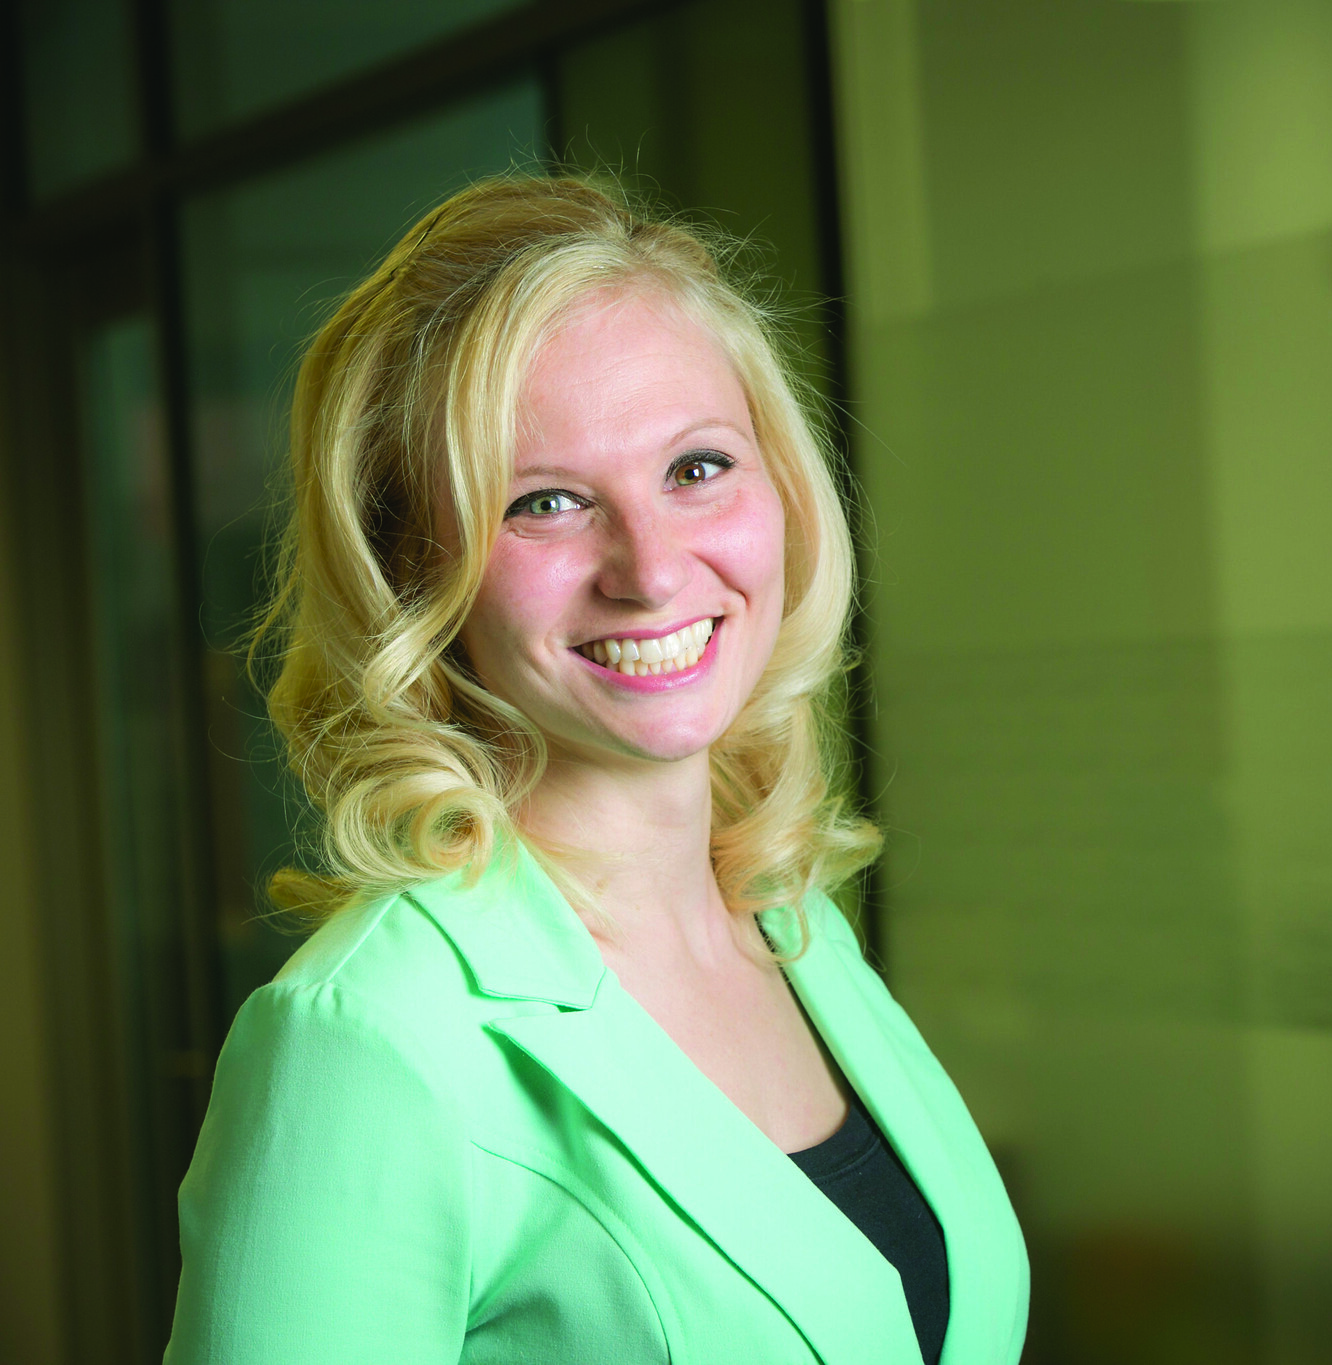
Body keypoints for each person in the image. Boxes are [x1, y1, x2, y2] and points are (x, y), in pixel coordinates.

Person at [164, 175, 1028, 1365]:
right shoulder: (367, 1041)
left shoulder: (789, 923)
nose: (651, 568)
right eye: (548, 501)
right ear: (414, 572)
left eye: (696, 469)